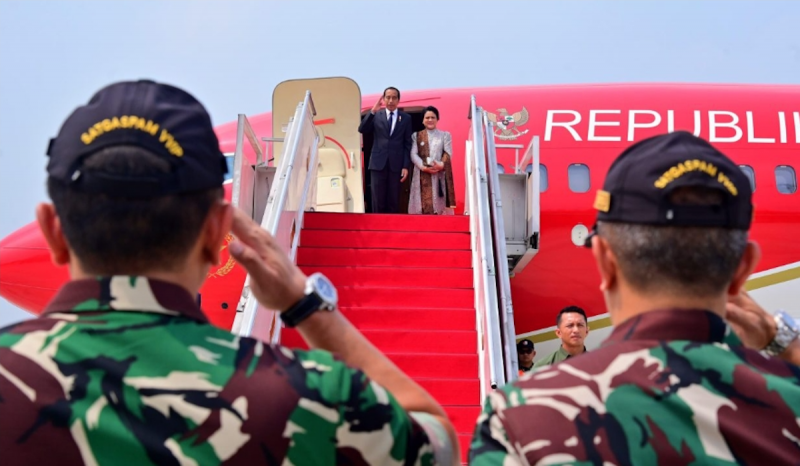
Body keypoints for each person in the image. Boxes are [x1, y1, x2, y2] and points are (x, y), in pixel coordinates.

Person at [0, 80, 458, 465]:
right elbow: (435, 444)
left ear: (52, 230)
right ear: (218, 231)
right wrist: (305, 304)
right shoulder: (308, 394)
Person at [469, 131, 800, 465]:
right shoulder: (788, 401)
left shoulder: (518, 418)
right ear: (743, 270)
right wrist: (783, 343)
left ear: (605, 260)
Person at [358, 86, 413, 214]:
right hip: (378, 163)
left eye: (394, 98)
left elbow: (407, 143)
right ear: (383, 99)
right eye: (388, 97)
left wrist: (405, 166)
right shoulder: (377, 116)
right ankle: (377, 225)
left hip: (396, 164)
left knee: (394, 199)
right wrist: (372, 111)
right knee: (378, 199)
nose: (391, 101)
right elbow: (362, 129)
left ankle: (392, 225)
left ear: (398, 100)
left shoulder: (406, 118)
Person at [408, 106, 456, 215]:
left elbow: (448, 153)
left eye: (433, 117)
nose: (430, 120)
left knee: (439, 205)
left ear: (437, 119)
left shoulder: (445, 135)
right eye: (427, 118)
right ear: (423, 120)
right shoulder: (417, 136)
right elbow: (413, 153)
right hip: (421, 173)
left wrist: (440, 165)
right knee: (421, 206)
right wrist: (423, 167)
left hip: (438, 173)